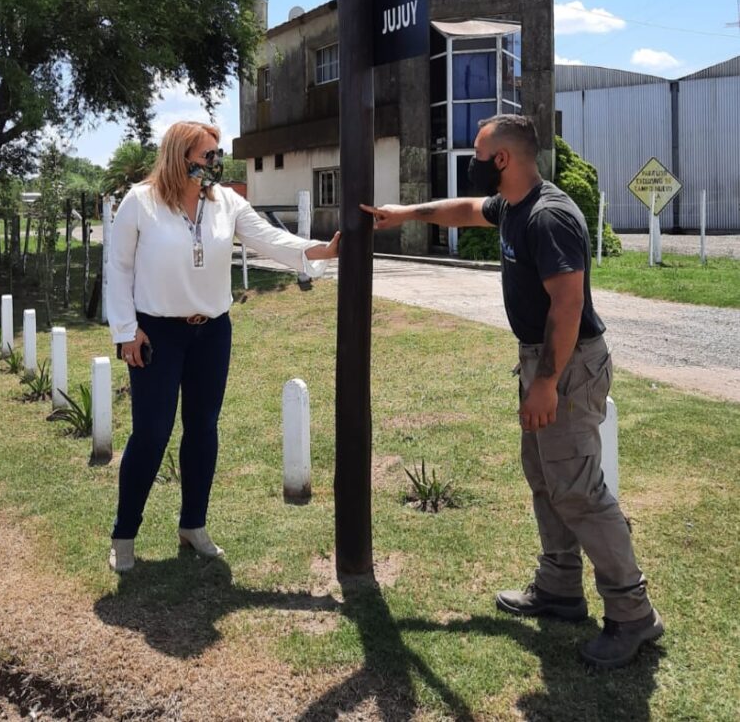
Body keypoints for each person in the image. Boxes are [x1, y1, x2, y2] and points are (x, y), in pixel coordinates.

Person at [362, 114, 663, 671]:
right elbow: (466, 210)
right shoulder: (513, 204)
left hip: (566, 365)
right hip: (542, 362)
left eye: (477, 155)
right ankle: (560, 588)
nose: (472, 164)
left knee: (577, 488)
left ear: (502, 159)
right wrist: (402, 214)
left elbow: (568, 307)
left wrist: (546, 381)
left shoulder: (548, 217)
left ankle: (632, 614)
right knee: (546, 477)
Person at [107, 121, 339, 574]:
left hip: (212, 331)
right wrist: (125, 331)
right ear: (180, 156)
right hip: (156, 332)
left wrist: (320, 252)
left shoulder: (226, 202)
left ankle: (193, 524)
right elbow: (119, 268)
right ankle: (124, 533)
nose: (216, 164)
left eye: (217, 154)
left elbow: (269, 239)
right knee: (152, 433)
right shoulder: (142, 202)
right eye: (207, 155)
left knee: (203, 428)